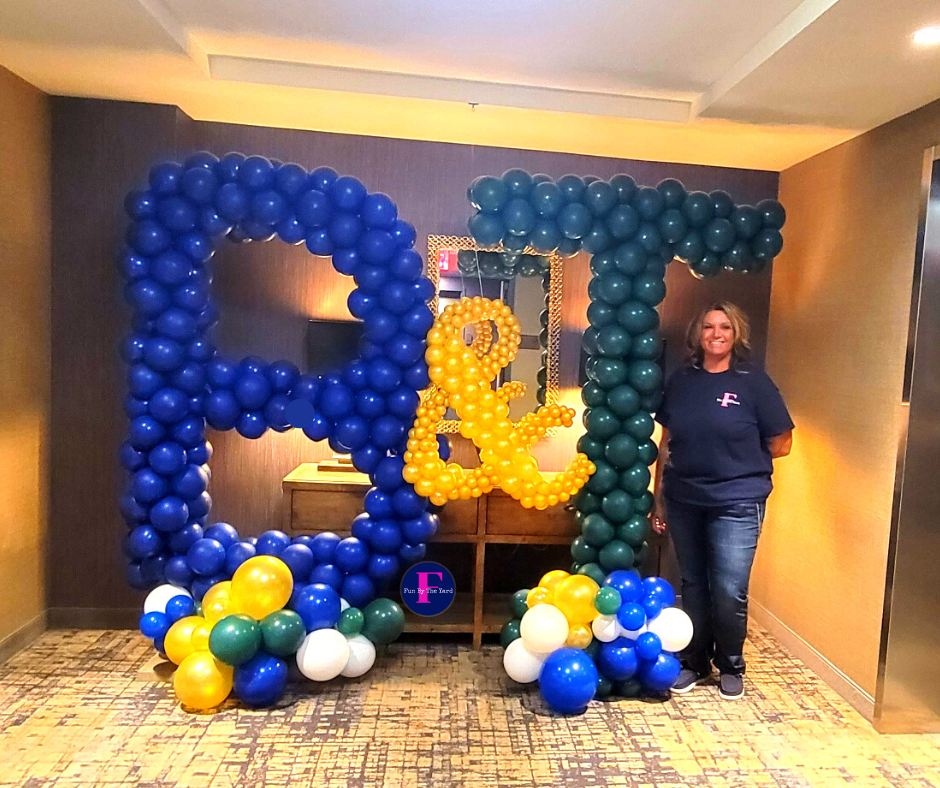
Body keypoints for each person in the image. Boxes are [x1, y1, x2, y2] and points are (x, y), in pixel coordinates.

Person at [651, 302, 793, 700]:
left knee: (729, 588)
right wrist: (659, 499)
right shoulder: (681, 381)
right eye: (709, 326)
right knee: (694, 584)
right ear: (698, 334)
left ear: (736, 335)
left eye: (725, 327)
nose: (716, 333)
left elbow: (782, 442)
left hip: (737, 501)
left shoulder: (753, 382)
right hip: (684, 497)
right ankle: (695, 662)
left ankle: (730, 663)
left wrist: (737, 460)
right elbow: (667, 444)